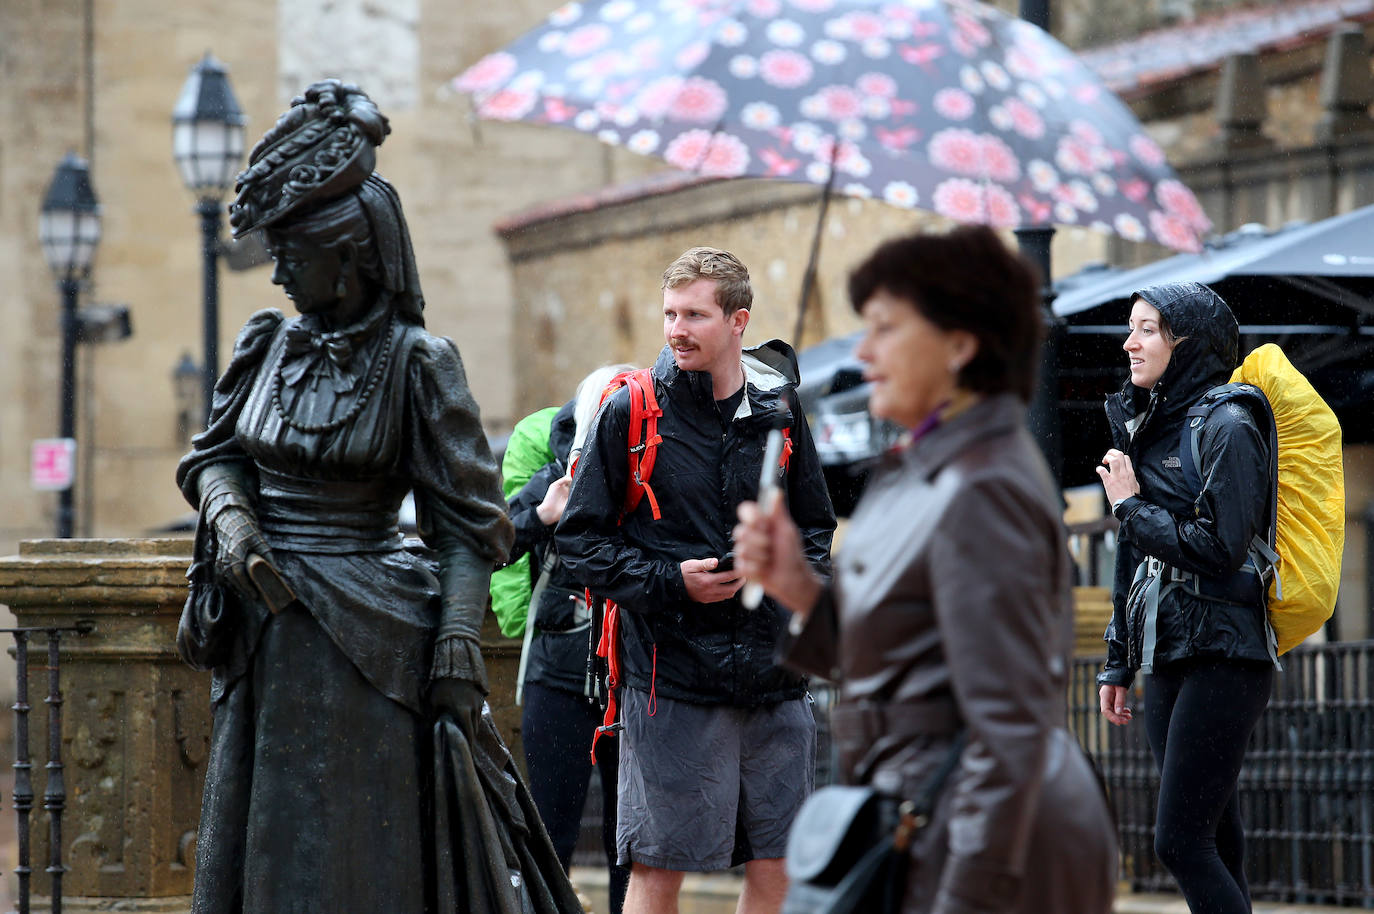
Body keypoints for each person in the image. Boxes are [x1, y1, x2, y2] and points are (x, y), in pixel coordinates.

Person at [175, 79, 580, 914]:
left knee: (362, 854)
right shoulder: (265, 346)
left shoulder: (419, 363)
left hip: (375, 642)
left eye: (294, 251)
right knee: (267, 847)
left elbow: (469, 526)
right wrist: (233, 520)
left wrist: (459, 645)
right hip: (268, 633)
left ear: (350, 254)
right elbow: (213, 458)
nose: (278, 268)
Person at [732, 226, 1117, 914]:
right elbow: (903, 655)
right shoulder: (920, 468)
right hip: (928, 821)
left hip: (989, 849)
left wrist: (969, 895)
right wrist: (797, 585)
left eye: (884, 328)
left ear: (960, 345)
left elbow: (1011, 735)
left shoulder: (985, 488)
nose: (864, 352)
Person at [556, 247, 837, 914]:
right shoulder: (629, 414)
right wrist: (669, 583)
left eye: (695, 315)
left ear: (738, 321)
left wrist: (791, 588)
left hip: (776, 677)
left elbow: (817, 529)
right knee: (659, 869)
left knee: (780, 865)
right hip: (672, 681)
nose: (676, 329)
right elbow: (578, 543)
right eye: (669, 313)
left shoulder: (782, 411)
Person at [1095, 281, 1276, 913]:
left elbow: (1221, 549)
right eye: (1131, 327)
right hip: (1167, 648)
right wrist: (1118, 659)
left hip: (1227, 648)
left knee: (1179, 842)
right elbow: (1134, 553)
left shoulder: (1228, 424)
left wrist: (1130, 506)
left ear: (1186, 341)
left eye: (1147, 329)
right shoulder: (1149, 426)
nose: (1129, 343)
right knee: (1216, 841)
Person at [504, 365, 635, 914]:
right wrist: (541, 514)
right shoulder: (560, 469)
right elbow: (495, 543)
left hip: (633, 679)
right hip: (559, 673)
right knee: (550, 835)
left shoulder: (654, 474)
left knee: (629, 842)